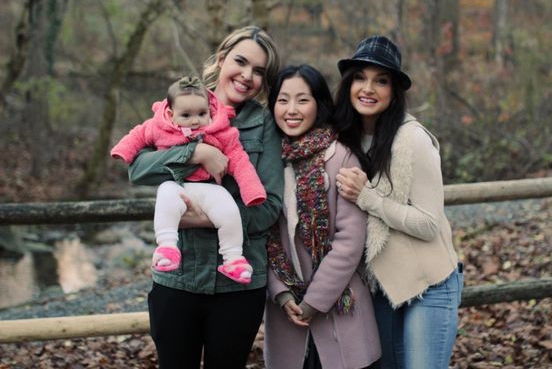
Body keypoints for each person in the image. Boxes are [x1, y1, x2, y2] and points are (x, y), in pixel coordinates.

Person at [127, 26, 283, 369]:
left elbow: (270, 207)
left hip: (238, 287)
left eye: (258, 71)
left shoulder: (265, 125)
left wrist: (208, 217)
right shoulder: (181, 105)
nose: (246, 76)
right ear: (222, 59)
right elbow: (137, 170)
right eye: (240, 62)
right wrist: (194, 153)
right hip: (177, 278)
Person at [333, 36, 464, 369]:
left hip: (429, 285)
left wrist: (368, 198)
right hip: (381, 286)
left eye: (381, 81)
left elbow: (428, 223)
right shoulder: (342, 138)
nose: (368, 88)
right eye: (361, 77)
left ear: (394, 92)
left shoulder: (413, 140)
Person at [263, 64, 381, 369]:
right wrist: (281, 294)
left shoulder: (339, 155)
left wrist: (313, 302)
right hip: (286, 313)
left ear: (319, 104)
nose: (291, 110)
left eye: (302, 100)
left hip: (341, 312)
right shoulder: (267, 161)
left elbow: (350, 241)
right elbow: (263, 235)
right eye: (283, 100)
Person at [111, 75, 266, 284]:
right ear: (170, 113)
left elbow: (240, 161)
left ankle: (234, 259)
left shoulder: (222, 131)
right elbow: (137, 136)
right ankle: (167, 247)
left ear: (210, 110)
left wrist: (252, 191)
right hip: (179, 186)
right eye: (186, 115)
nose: (195, 120)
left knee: (230, 210)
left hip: (211, 189)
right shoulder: (158, 127)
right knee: (165, 193)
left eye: (202, 114)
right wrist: (123, 151)